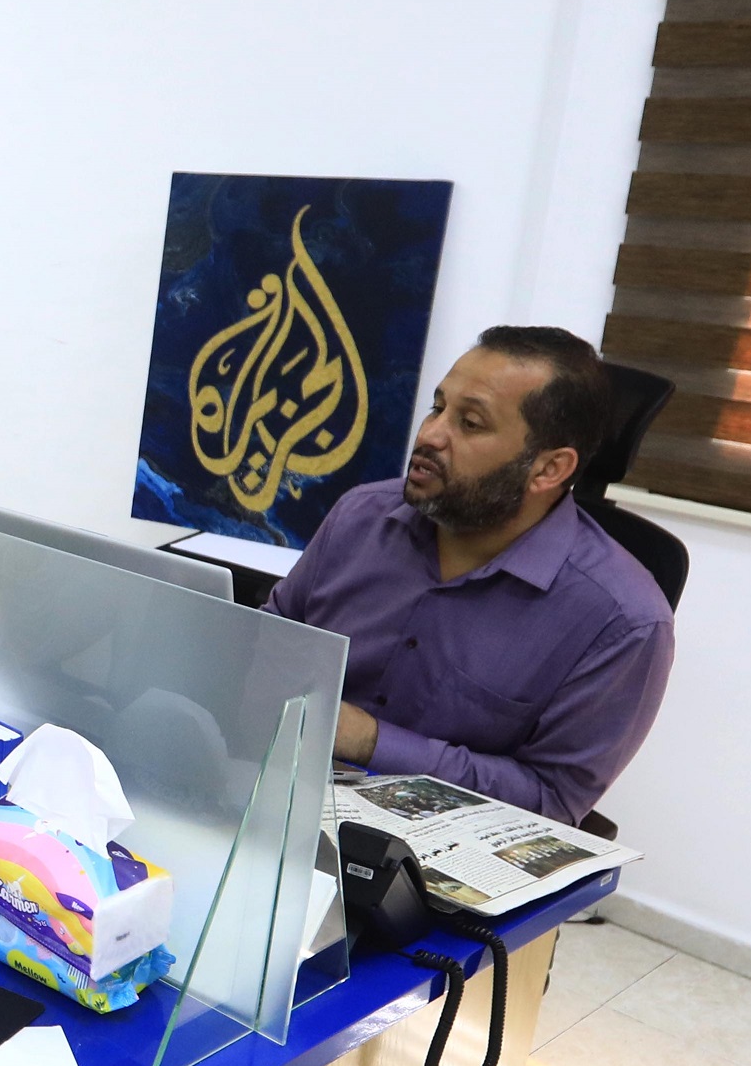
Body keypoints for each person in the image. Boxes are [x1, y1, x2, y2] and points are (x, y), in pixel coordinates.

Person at [267, 325, 674, 827]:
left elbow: (552, 801)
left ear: (548, 469)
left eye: (471, 423)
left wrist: (370, 741)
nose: (431, 435)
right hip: (280, 794)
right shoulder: (361, 516)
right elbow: (271, 641)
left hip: (433, 850)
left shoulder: (623, 620)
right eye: (438, 408)